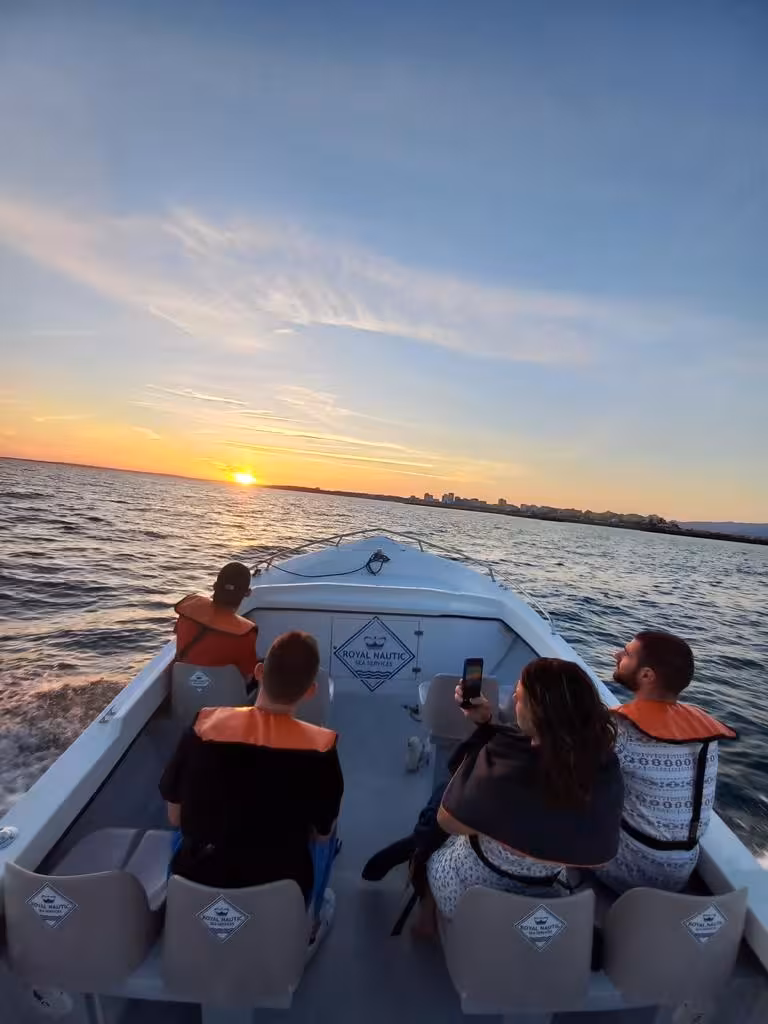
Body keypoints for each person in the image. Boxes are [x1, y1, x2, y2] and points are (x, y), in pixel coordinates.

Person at [365, 658, 623, 927]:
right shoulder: (604, 767)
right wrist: (487, 722)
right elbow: (601, 857)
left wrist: (479, 757)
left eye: (520, 697)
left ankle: (425, 911)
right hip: (546, 891)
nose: (513, 698)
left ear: (538, 713)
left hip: (469, 896)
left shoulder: (502, 765)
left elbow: (449, 821)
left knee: (437, 815)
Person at [159, 630, 344, 938]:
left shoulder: (202, 726)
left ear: (259, 672)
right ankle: (308, 922)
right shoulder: (322, 749)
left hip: (199, 876)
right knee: (330, 831)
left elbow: (174, 817)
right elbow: (322, 835)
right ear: (310, 691)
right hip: (280, 886)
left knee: (182, 833)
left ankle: (182, 917)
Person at [594, 630, 736, 894]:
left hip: (633, 868)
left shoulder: (621, 731)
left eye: (626, 653)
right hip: (682, 866)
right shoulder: (702, 730)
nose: (616, 655)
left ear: (647, 675)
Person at [174, 561, 259, 684]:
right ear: (247, 593)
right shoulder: (246, 635)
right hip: (226, 701)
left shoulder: (186, 614)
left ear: (214, 586)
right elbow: (248, 676)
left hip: (181, 695)